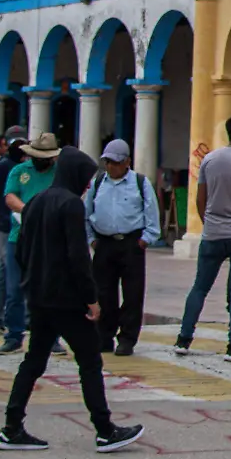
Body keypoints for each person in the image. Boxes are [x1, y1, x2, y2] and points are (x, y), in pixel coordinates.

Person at [0, 146, 144, 453]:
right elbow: (78, 256)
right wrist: (91, 298)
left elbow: (20, 249)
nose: (88, 184)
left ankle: (11, 426)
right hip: (66, 299)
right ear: (74, 174)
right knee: (89, 362)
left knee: (33, 361)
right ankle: (104, 430)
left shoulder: (35, 202)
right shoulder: (71, 205)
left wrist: (30, 280)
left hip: (38, 296)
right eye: (86, 178)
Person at [175, 115, 231, 362]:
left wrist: (211, 222)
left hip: (214, 232)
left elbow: (200, 198)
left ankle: (184, 339)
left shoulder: (210, 159)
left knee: (200, 287)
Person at [85, 138, 158, 356]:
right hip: (104, 243)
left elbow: (151, 214)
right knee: (104, 292)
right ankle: (104, 336)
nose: (111, 167)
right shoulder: (98, 183)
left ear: (127, 162)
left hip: (131, 243)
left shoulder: (140, 183)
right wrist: (92, 240)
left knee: (132, 293)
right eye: (108, 162)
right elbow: (86, 213)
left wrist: (146, 239)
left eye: (116, 162)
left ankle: (127, 338)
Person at [0, 134, 63, 355]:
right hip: (20, 238)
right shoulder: (19, 171)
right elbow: (9, 197)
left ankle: (49, 337)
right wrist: (27, 210)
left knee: (47, 290)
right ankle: (14, 336)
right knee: (14, 289)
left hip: (48, 239)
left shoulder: (59, 174)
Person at [0, 126, 26, 334]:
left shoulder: (22, 165)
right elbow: (0, 196)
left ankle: (4, 317)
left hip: (20, 224)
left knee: (11, 270)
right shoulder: (5, 166)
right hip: (6, 225)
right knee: (6, 270)